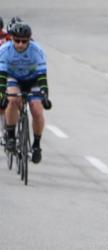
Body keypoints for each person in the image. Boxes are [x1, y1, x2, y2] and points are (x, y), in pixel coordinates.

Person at [0, 22, 51, 163]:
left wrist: (45, 95)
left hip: (32, 79)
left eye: (24, 41)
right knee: (12, 98)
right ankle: (10, 135)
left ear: (29, 39)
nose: (20, 44)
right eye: (17, 41)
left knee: (37, 110)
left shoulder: (37, 51)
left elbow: (42, 76)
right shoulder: (4, 50)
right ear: (11, 39)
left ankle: (36, 145)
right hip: (13, 78)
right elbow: (2, 76)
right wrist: (1, 95)